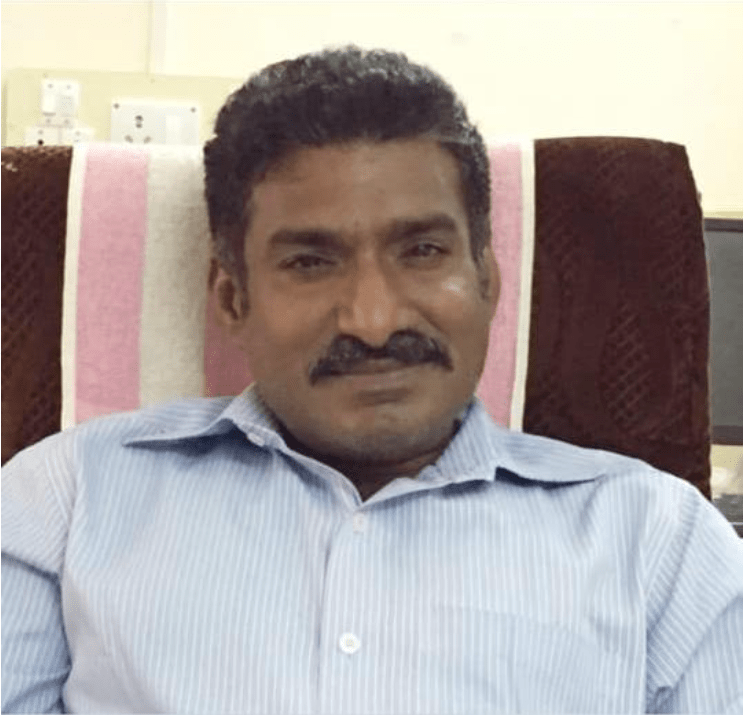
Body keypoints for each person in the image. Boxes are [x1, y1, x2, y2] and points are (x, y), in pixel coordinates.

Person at [1, 46, 741, 715]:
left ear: (486, 279)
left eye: (421, 251)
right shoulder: (63, 502)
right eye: (310, 262)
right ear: (232, 299)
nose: (375, 322)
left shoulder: (661, 544)